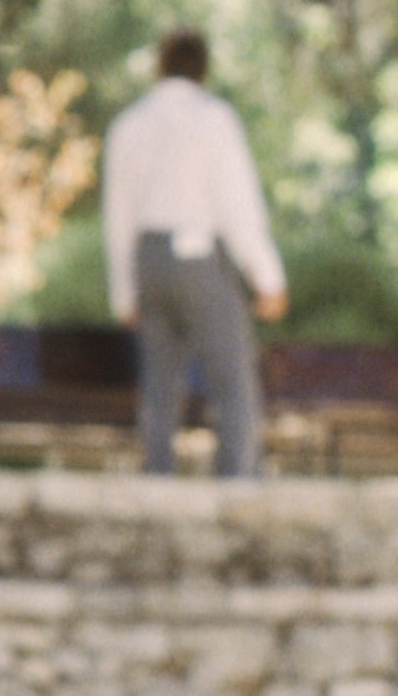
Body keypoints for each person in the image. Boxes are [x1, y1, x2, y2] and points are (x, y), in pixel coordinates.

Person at [101, 31, 287, 476]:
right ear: (203, 68)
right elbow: (237, 205)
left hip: (149, 259)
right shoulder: (214, 119)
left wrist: (123, 292)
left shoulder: (129, 125)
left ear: (160, 66)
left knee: (159, 385)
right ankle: (237, 484)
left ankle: (157, 479)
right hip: (200, 256)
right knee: (233, 381)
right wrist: (268, 278)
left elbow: (117, 215)